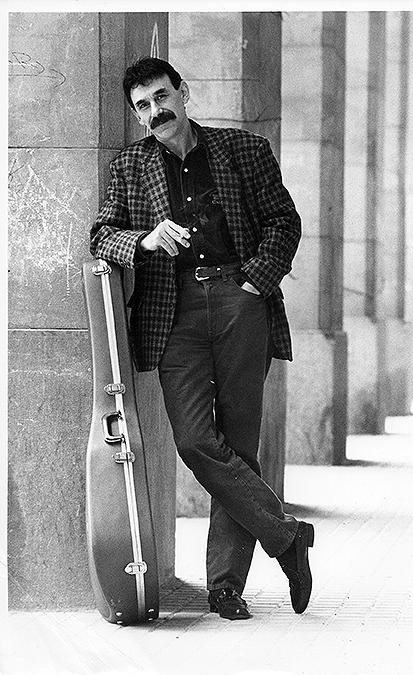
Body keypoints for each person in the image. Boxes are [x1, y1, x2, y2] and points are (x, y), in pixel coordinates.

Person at [90, 57, 314, 621]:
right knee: (194, 439)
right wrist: (144, 240)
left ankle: (226, 586)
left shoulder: (243, 150)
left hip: (241, 301)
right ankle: (287, 536)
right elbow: (101, 235)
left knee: (239, 442)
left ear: (183, 92)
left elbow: (284, 222)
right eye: (142, 105)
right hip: (175, 312)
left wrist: (254, 281)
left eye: (161, 97)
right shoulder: (130, 166)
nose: (155, 111)